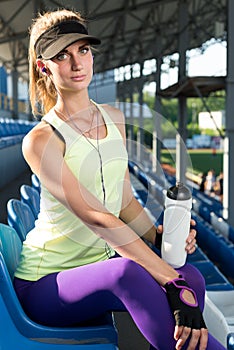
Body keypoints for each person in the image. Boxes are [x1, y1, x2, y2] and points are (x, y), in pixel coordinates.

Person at [13, 8, 225, 350]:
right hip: (45, 283)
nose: (77, 63)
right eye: (62, 56)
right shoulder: (41, 139)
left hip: (97, 267)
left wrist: (159, 240)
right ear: (44, 66)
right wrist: (168, 279)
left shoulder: (113, 118)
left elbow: (124, 200)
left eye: (83, 50)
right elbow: (97, 217)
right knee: (129, 274)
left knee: (193, 278)